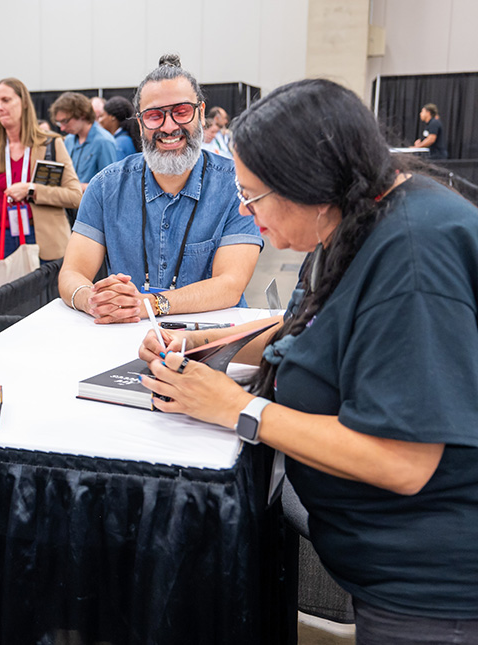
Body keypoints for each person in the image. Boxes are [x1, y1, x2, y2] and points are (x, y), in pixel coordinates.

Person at [138, 78, 478, 645]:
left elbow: (404, 461)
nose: (250, 216)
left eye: (254, 197)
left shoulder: (413, 258)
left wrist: (239, 409)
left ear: (308, 183)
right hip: (389, 570)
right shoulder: (354, 220)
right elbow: (307, 331)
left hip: (431, 593)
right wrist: (200, 341)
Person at [59, 55, 262, 324]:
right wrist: (93, 301)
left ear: (201, 113)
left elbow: (230, 285)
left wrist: (150, 305)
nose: (168, 127)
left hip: (213, 342)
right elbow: (72, 273)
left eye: (181, 112)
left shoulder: (236, 185)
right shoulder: (106, 187)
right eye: (155, 116)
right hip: (124, 341)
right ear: (141, 122)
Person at [0, 78, 82, 276]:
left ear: (23, 103)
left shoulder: (50, 145)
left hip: (42, 239)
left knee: (42, 305)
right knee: (8, 304)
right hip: (0, 239)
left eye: (6, 100)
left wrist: (32, 190)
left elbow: (75, 196)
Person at [50, 91, 117, 190]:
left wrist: (83, 187)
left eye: (65, 121)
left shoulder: (104, 142)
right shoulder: (68, 140)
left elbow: (111, 184)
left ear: (82, 115)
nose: (62, 128)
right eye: (59, 123)